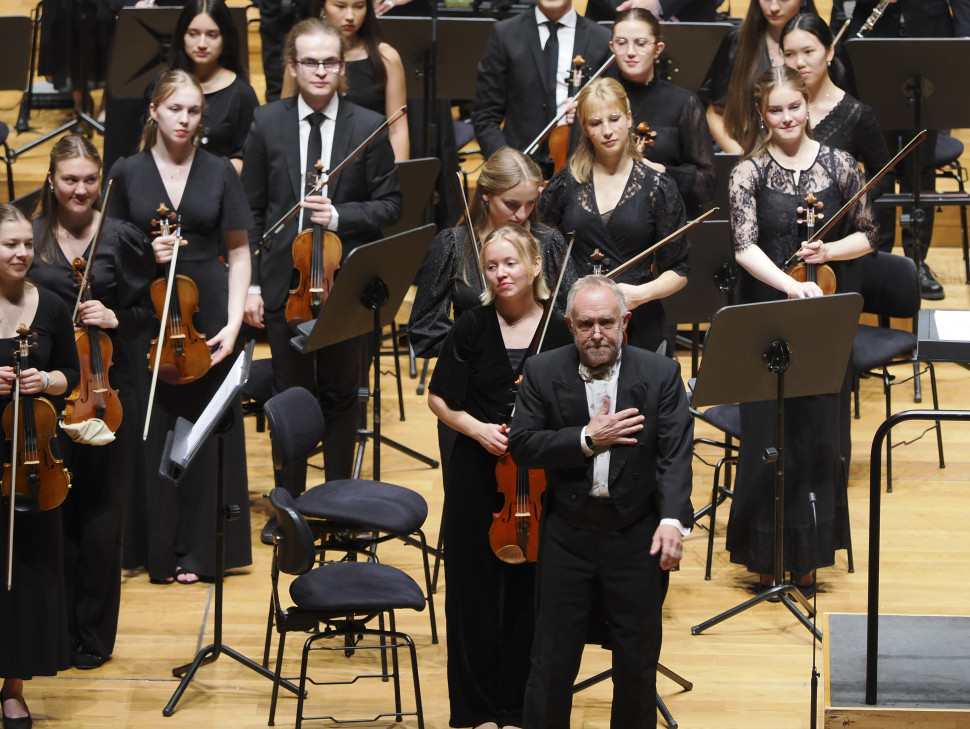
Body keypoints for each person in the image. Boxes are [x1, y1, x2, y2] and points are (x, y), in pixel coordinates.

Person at [508, 274, 693, 729]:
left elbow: (675, 456)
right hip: (567, 534)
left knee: (636, 664)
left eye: (606, 323)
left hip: (635, 536)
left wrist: (672, 519)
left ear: (625, 322)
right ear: (569, 326)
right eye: (586, 324)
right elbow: (523, 445)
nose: (596, 334)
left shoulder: (661, 373)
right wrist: (587, 438)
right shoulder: (542, 370)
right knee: (551, 663)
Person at [726, 66, 877, 592]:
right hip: (769, 313)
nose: (786, 117)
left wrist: (827, 250)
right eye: (775, 110)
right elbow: (744, 248)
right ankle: (764, 555)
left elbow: (870, 234)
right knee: (767, 436)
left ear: (808, 108)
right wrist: (790, 285)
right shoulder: (747, 172)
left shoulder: (839, 165)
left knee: (815, 436)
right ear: (762, 116)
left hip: (822, 318)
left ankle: (810, 553)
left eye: (794, 107)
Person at [241, 18, 401, 498]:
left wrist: (340, 215)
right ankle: (288, 504)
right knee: (292, 396)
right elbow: (250, 210)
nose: (319, 70)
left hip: (343, 283)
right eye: (309, 61)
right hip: (282, 283)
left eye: (329, 61)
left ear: (341, 67)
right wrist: (249, 284)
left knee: (339, 395)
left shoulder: (368, 125)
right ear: (292, 65)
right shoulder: (267, 122)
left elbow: (391, 205)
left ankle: (338, 503)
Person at [108, 69, 253, 585]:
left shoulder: (219, 171)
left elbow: (238, 251)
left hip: (208, 313)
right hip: (148, 313)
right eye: (176, 109)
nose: (185, 120)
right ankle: (157, 548)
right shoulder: (127, 172)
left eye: (194, 111)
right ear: (154, 110)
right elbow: (110, 254)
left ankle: (201, 551)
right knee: (154, 430)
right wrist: (147, 254)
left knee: (207, 429)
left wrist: (235, 323)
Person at [427, 224, 571, 729]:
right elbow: (439, 398)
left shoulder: (559, 328)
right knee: (474, 595)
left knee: (531, 597)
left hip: (542, 479)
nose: (501, 273)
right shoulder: (471, 326)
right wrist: (479, 430)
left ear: (535, 266)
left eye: (510, 263)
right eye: (492, 266)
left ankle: (518, 708)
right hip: (477, 478)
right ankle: (476, 713)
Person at [29, 135, 153, 669]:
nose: (80, 190)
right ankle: (54, 631)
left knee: (102, 517)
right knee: (53, 512)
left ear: (101, 181)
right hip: (46, 397)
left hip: (106, 393)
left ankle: (94, 637)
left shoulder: (121, 237)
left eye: (89, 180)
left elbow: (151, 312)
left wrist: (118, 318)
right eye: (69, 180)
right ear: (52, 182)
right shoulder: (28, 241)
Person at [0, 203, 81, 729]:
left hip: (32, 457)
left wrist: (46, 381)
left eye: (27, 243)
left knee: (26, 570)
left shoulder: (49, 305)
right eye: (9, 244)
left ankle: (13, 687)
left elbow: (71, 374)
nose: (21, 253)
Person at [539, 77, 690, 355]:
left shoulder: (659, 187)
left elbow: (679, 271)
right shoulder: (564, 186)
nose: (607, 131)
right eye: (596, 123)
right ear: (584, 128)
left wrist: (640, 294)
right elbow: (541, 255)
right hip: (578, 324)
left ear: (629, 118)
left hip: (640, 319)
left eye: (614, 118)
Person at [832, 0, 970, 300]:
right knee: (877, 164)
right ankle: (877, 257)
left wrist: (963, 44)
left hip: (930, 37)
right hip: (872, 38)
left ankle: (917, 259)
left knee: (921, 161)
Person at [409, 146, 574, 361]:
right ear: (486, 193)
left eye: (530, 203)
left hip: (537, 371)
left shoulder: (549, 241)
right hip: (472, 374)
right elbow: (425, 328)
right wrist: (475, 346)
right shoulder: (453, 243)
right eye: (512, 204)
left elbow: (570, 315)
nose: (522, 215)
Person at [471, 0, 612, 169]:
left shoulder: (602, 39)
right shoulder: (504, 34)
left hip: (582, 165)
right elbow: (485, 114)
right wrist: (505, 164)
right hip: (519, 166)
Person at [608, 7, 716, 216]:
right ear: (612, 46)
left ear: (658, 49)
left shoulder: (684, 102)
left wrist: (665, 173)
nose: (630, 52)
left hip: (665, 220)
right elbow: (576, 170)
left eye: (641, 43)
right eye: (622, 43)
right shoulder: (598, 100)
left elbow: (708, 183)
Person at [699, 0, 819, 154]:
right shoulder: (738, 40)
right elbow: (714, 114)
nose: (774, 7)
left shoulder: (824, 45)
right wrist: (744, 161)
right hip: (748, 156)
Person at [169, 0, 261, 175]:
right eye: (193, 34)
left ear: (225, 38)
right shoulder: (163, 86)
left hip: (219, 191)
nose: (202, 43)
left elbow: (251, 159)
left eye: (212, 35)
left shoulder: (242, 94)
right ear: (182, 35)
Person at [322, 0, 409, 161]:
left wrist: (398, 178)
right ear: (322, 7)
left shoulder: (387, 58)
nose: (350, 16)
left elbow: (397, 128)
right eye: (340, 7)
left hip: (371, 161)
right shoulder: (302, 58)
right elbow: (287, 120)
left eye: (358, 7)